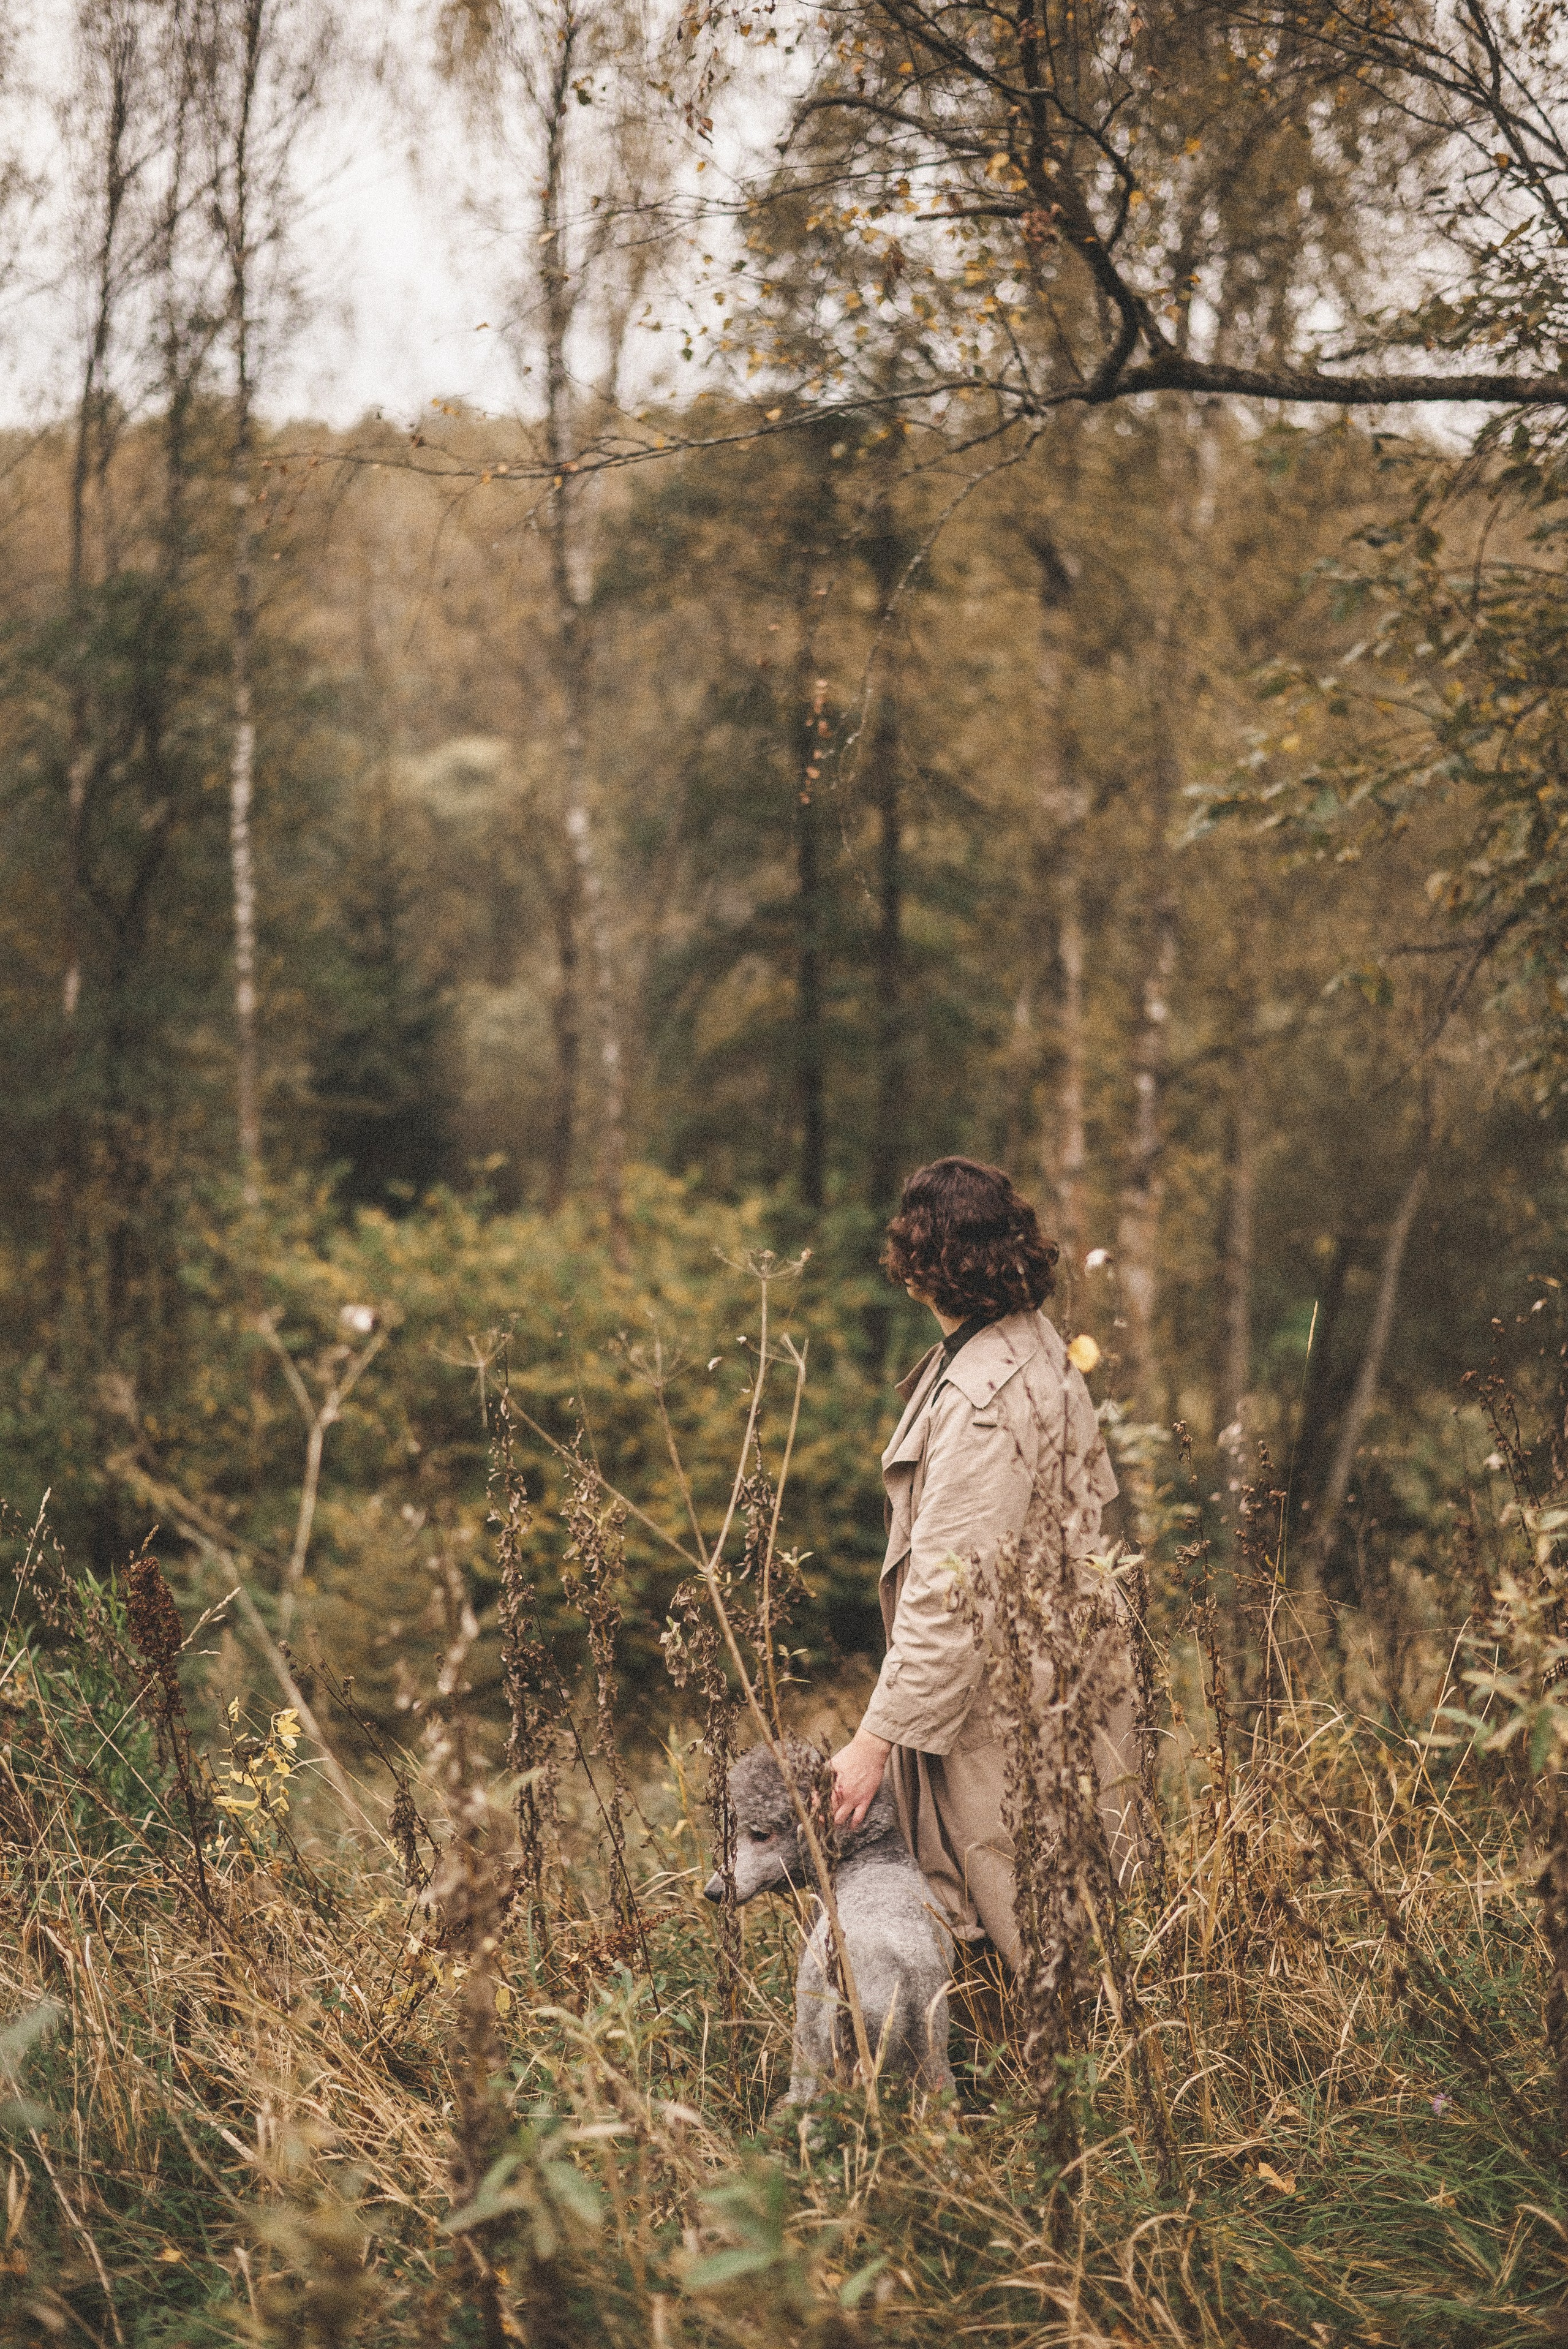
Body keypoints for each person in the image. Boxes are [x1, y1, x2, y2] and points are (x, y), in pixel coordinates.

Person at [829, 1155, 1138, 1972]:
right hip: (1053, 1678)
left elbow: (951, 1593)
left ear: (918, 1263)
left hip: (1009, 1700)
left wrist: (871, 1745)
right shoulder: (1028, 1344)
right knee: (1070, 1912)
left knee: (1013, 1929)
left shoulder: (982, 1400)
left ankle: (1043, 2059)